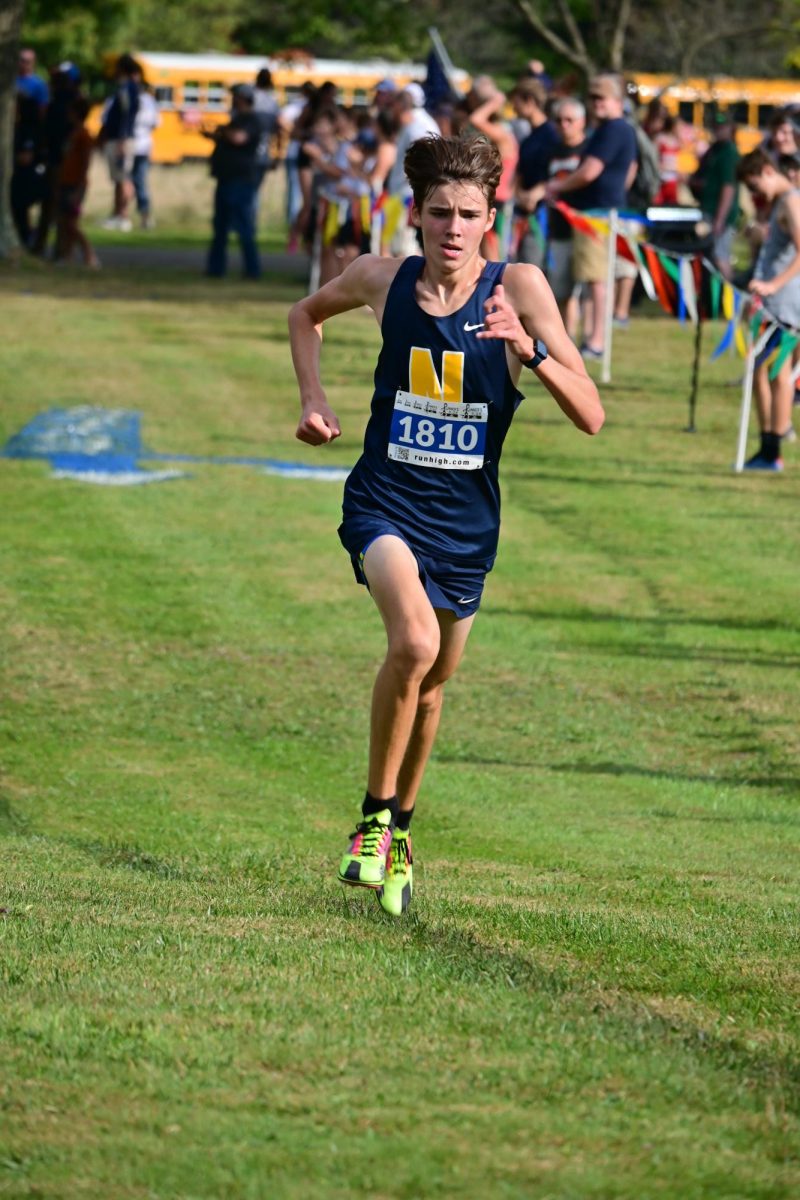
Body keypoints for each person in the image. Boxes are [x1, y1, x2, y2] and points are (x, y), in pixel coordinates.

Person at [288, 134, 604, 915]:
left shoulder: (519, 287)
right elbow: (304, 315)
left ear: (490, 219)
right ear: (416, 216)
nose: (453, 229)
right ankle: (371, 822)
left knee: (430, 689)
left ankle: (401, 833)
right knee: (414, 643)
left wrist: (526, 349)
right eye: (439, 214)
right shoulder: (379, 278)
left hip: (466, 528)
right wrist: (312, 399)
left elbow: (592, 413)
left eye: (468, 214)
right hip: (384, 503)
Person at [544, 72, 638, 357]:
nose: (596, 102)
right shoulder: (615, 129)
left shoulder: (613, 129)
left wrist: (556, 186)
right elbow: (630, 170)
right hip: (597, 213)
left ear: (617, 101)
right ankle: (589, 339)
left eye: (602, 97)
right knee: (591, 279)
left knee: (596, 281)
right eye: (592, 97)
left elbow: (590, 171)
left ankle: (595, 342)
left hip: (595, 215)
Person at [738, 149, 800, 471]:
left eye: (753, 186)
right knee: (767, 371)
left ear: (766, 171)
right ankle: (769, 446)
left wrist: (773, 286)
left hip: (783, 305)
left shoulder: (790, 200)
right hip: (772, 302)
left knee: (771, 372)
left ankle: (771, 448)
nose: (753, 195)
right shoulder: (780, 203)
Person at [203, 83, 262, 280]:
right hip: (226, 178)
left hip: (240, 180)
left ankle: (252, 270)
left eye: (235, 96)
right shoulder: (236, 119)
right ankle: (215, 269)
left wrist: (221, 131)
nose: (233, 100)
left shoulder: (251, 120)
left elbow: (239, 138)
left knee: (244, 226)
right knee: (220, 227)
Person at [385, 83, 440, 255]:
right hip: (406, 195)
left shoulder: (418, 126)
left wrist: (416, 195)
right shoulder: (417, 123)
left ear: (401, 105)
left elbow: (424, 163)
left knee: (406, 251)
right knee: (401, 248)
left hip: (409, 197)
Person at [511, 78, 559, 268]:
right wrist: (521, 194)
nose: (514, 109)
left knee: (534, 267)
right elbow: (522, 172)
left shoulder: (551, 135)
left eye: (517, 103)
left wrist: (536, 194)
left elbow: (555, 172)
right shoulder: (529, 138)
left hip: (543, 214)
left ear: (530, 101)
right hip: (524, 213)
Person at [54, 95, 100, 269]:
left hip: (76, 185)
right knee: (65, 221)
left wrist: (79, 187)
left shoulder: (84, 135)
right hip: (66, 182)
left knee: (72, 222)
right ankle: (68, 255)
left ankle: (89, 254)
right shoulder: (73, 133)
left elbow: (85, 161)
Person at [97, 53, 141, 231]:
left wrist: (122, 138)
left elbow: (126, 115)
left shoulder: (128, 88)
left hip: (121, 139)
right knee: (118, 178)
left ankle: (123, 216)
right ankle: (117, 214)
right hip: (119, 138)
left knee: (123, 178)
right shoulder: (128, 87)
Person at [698, 112, 740, 280]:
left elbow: (728, 187)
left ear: (730, 128)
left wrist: (720, 219)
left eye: (722, 127)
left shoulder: (729, 152)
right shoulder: (714, 150)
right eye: (716, 126)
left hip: (721, 215)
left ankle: (731, 297)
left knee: (720, 257)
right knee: (710, 257)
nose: (718, 130)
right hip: (708, 209)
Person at [131, 72, 160, 229]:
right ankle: (145, 217)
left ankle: (121, 215)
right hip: (145, 145)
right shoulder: (151, 102)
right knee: (141, 182)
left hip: (131, 144)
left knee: (126, 182)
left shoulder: (130, 98)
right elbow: (156, 123)